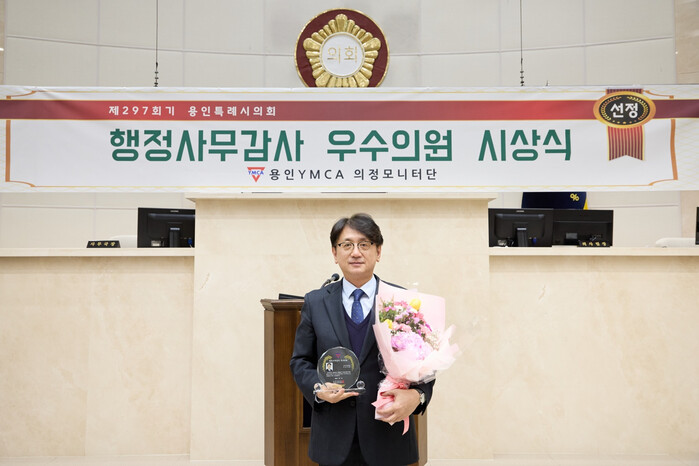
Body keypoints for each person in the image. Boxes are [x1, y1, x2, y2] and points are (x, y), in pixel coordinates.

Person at [290, 213, 434, 466]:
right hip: (333, 439)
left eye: (364, 244)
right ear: (335, 253)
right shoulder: (315, 301)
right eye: (347, 245)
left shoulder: (402, 301)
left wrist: (418, 396)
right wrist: (318, 389)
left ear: (378, 252)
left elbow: (425, 364)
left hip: (388, 433)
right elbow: (300, 361)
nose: (356, 252)